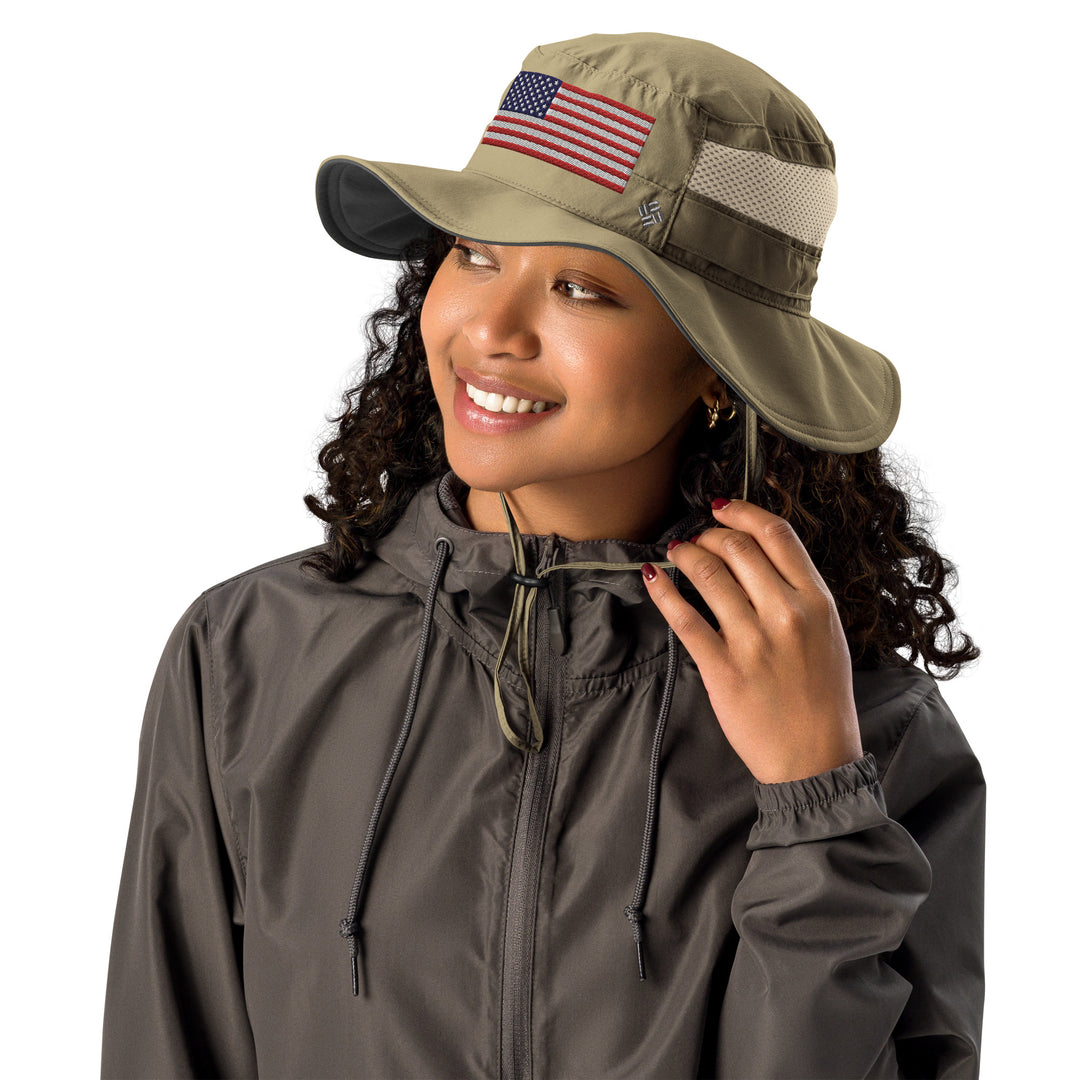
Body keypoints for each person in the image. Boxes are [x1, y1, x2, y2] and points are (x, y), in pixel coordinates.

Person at [102, 32, 985, 1079]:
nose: (492, 328)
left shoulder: (872, 732)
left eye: (581, 288)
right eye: (476, 254)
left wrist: (814, 802)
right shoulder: (247, 654)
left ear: (719, 366)